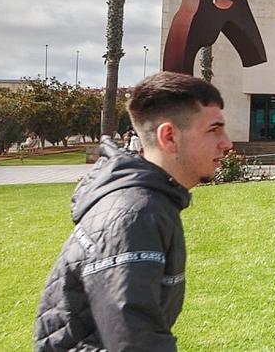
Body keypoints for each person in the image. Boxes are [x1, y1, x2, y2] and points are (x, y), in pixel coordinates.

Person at [34, 72, 231, 350]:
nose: (227, 143)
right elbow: (135, 342)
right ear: (170, 137)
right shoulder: (135, 214)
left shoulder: (152, 201)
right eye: (214, 130)